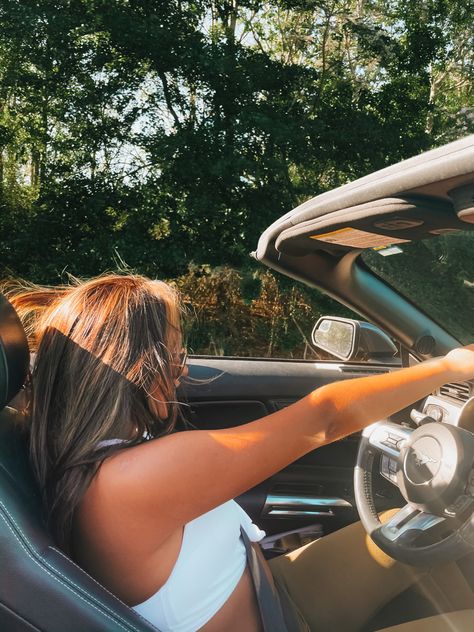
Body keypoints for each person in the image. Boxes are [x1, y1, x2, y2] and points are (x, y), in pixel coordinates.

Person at [6, 273, 474, 632]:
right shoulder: (134, 478)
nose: (182, 371)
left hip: (272, 593)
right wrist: (450, 366)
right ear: (139, 368)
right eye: (174, 355)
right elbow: (323, 419)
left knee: (425, 531)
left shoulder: (86, 458)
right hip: (277, 618)